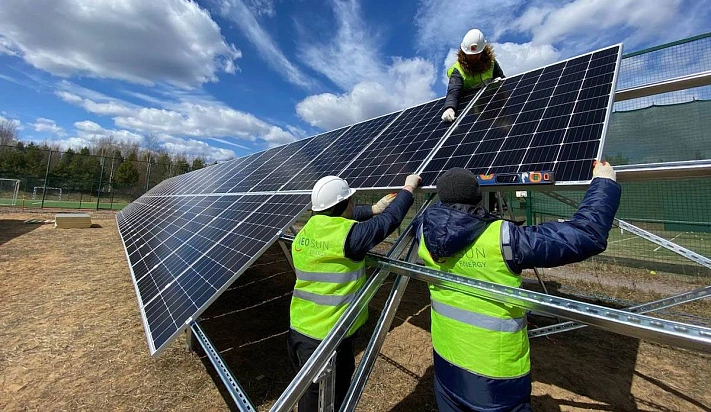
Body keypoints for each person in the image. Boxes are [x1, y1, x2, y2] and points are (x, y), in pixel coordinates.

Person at [414, 162, 621, 412]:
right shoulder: (505, 237)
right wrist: (605, 183)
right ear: (478, 197)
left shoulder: (423, 231)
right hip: (496, 377)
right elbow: (586, 235)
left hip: (446, 366)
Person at [289, 174, 422, 411]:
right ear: (344, 204)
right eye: (351, 201)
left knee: (308, 392)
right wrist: (409, 188)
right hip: (330, 337)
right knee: (330, 399)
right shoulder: (348, 238)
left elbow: (341, 218)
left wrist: (372, 208)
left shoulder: (306, 230)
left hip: (300, 328)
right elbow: (388, 221)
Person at [442, 28, 505, 123]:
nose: (473, 58)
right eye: (470, 55)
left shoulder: (491, 63)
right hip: (471, 114)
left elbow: (502, 78)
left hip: (494, 105)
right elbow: (453, 91)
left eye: (476, 54)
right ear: (464, 52)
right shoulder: (458, 70)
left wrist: (500, 84)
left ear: (483, 51)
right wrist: (450, 108)